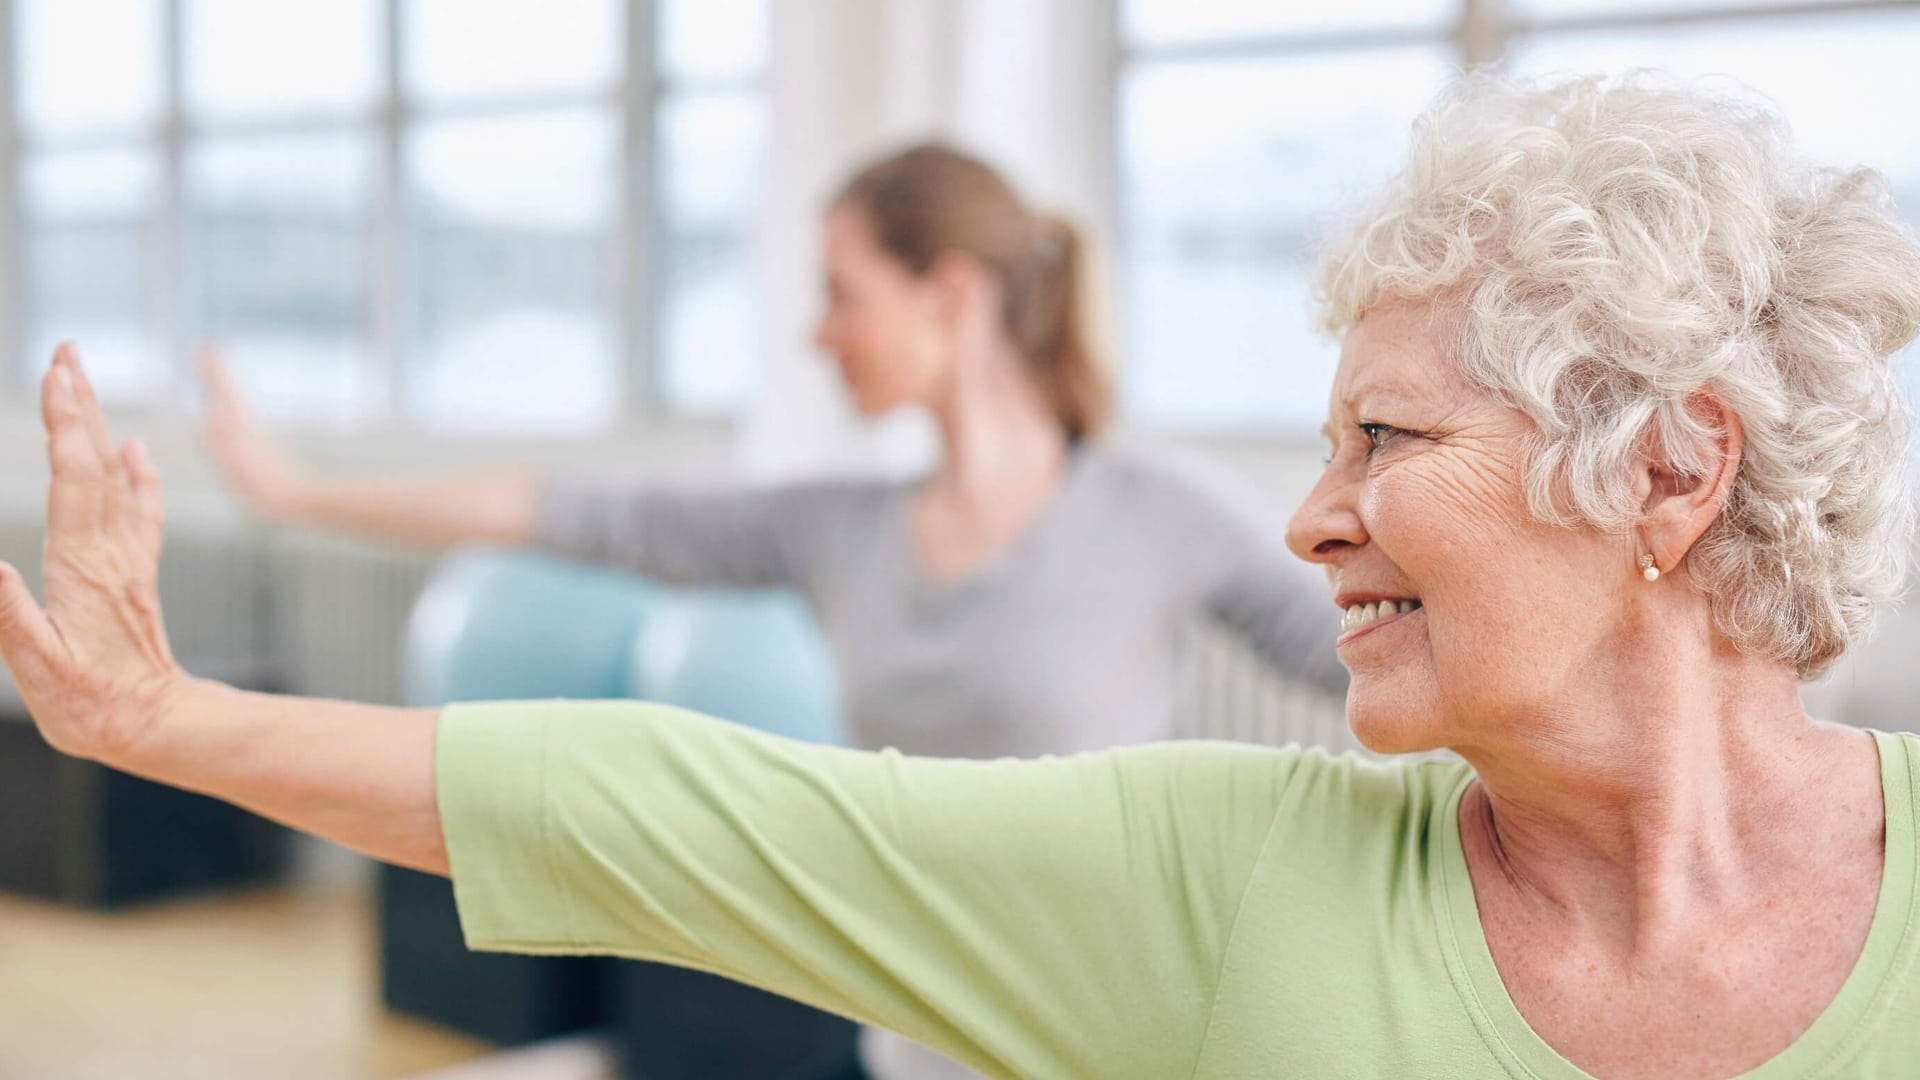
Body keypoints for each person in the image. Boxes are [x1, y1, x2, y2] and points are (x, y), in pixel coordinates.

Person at [6, 71, 1920, 1078]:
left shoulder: (1150, 518)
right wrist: (175, 711)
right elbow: (682, 797)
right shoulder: (1235, 879)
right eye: (1324, 444)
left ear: (1670, 472)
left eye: (1386, 445)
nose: (1310, 514)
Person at [201, 142, 1343, 1078]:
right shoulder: (838, 526)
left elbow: (1370, 661)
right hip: (909, 1040)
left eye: (841, 294)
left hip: (1105, 1041)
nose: (815, 333)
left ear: (949, 292)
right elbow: (576, 512)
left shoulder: (1160, 510)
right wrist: (296, 491)